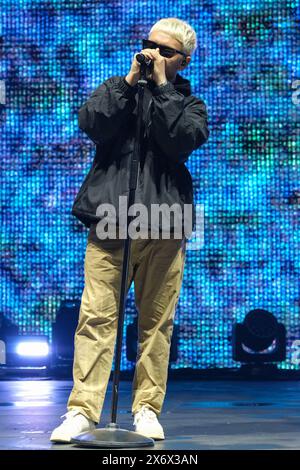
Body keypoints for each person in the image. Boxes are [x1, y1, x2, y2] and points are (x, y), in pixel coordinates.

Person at [50, 17, 209, 443]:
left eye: (166, 51)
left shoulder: (190, 104)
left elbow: (179, 141)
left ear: (183, 61)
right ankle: (83, 411)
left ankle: (146, 408)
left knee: (156, 323)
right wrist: (130, 81)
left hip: (164, 225)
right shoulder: (117, 90)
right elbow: (92, 122)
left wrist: (160, 88)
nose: (153, 53)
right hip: (111, 221)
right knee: (96, 318)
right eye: (148, 45)